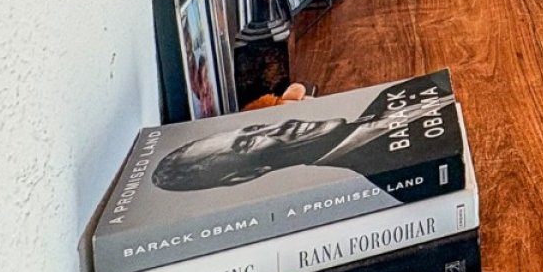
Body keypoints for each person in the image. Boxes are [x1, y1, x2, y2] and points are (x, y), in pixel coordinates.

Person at [150, 71, 455, 191]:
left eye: (254, 127)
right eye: (247, 145)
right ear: (245, 175)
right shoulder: (392, 175)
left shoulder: (389, 97)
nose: (278, 126)